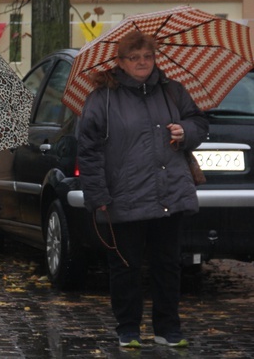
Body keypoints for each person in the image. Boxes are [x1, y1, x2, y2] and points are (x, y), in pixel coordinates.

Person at [78, 31, 208, 348]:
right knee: (125, 266)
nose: (142, 63)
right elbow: (88, 151)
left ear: (155, 58)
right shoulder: (103, 97)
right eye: (134, 57)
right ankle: (128, 329)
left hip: (170, 192)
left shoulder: (172, 91)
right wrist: (98, 197)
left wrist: (185, 131)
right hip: (125, 194)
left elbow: (199, 123)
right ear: (120, 62)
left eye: (147, 56)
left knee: (168, 264)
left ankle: (168, 329)